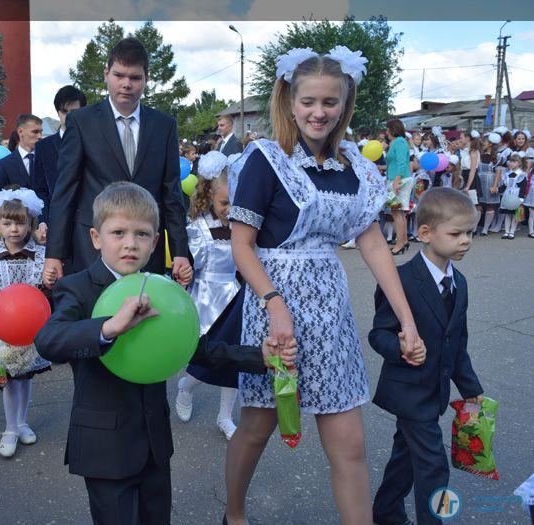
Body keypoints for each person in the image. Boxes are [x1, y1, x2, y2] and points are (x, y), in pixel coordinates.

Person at [223, 47, 424, 525]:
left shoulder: (356, 164)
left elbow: (374, 245)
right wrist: (275, 304)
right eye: (308, 101)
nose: (319, 112)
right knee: (257, 425)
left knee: (350, 445)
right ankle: (233, 516)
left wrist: (408, 320)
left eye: (329, 102)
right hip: (273, 304)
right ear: (290, 102)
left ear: (344, 104)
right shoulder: (265, 159)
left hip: (329, 309)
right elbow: (241, 246)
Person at [35, 182, 288, 525]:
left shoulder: (158, 288)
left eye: (142, 234)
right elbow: (49, 340)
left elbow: (190, 346)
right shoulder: (77, 288)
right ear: (96, 237)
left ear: (156, 242)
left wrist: (259, 357)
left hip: (154, 445)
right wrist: (109, 327)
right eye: (118, 232)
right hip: (104, 449)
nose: (130, 243)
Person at [370, 187, 483, 525]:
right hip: (408, 391)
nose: (465, 241)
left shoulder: (459, 283)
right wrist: (401, 347)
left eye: (470, 234)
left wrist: (470, 389)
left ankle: (386, 512)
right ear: (425, 233)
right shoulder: (400, 280)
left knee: (405, 456)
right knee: (433, 464)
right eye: (456, 233)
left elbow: (457, 343)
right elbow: (379, 334)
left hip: (435, 391)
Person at [43, 37, 192, 286]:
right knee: (96, 320)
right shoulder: (81, 122)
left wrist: (179, 252)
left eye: (134, 78)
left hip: (145, 249)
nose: (126, 84)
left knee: (143, 318)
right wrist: (54, 254)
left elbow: (171, 194)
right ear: (106, 74)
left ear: (146, 78)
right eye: (119, 75)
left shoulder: (164, 125)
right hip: (93, 247)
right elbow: (65, 190)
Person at [0, 188, 50, 457]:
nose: (14, 229)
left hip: (31, 328)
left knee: (25, 377)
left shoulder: (41, 256)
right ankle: (9, 427)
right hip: (3, 329)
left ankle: (22, 421)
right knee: (10, 379)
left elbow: (47, 290)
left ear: (29, 223)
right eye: (7, 223)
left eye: (20, 222)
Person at [174, 151, 241, 440]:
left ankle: (225, 416)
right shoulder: (198, 229)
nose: (229, 208)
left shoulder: (242, 225)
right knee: (207, 356)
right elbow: (192, 264)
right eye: (224, 203)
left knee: (236, 359)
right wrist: (186, 270)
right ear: (209, 198)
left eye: (234, 202)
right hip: (206, 296)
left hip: (235, 296)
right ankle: (186, 388)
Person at [34, 85, 88, 215]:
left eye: (74, 112)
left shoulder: (95, 142)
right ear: (58, 112)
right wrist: (43, 221)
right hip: (56, 218)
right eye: (64, 111)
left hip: (89, 218)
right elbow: (40, 190)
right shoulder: (43, 147)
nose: (69, 117)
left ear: (83, 111)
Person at [385, 118, 414, 255]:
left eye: (387, 129)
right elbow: (395, 163)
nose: (386, 132)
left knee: (397, 212)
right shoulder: (398, 142)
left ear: (392, 129)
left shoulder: (399, 142)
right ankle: (404, 240)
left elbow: (402, 164)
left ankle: (399, 243)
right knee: (399, 212)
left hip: (398, 180)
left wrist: (396, 182)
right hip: (398, 179)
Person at [498, 154, 527, 239]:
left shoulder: (521, 174)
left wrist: (521, 198)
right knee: (507, 214)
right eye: (511, 161)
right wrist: (498, 189)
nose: (512, 163)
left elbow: (523, 187)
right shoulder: (507, 174)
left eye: (514, 162)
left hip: (516, 196)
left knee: (515, 215)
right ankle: (506, 231)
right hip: (507, 195)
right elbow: (504, 186)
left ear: (519, 163)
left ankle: (512, 232)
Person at [477, 134, 501, 236]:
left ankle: (485, 229)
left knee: (490, 205)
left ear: (491, 144)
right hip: (480, 181)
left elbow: (498, 172)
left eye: (484, 142)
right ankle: (475, 227)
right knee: (478, 204)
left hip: (491, 181)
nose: (482, 144)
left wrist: (495, 185)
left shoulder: (497, 156)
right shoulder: (479, 154)